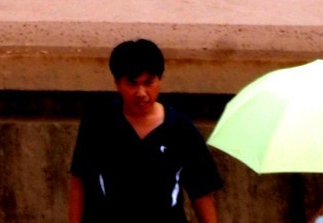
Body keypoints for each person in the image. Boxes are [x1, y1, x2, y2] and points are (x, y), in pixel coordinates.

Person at [67, 39, 221, 223]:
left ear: (160, 80)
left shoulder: (181, 129)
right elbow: (79, 182)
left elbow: (201, 192)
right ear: (117, 83)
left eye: (149, 82)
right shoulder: (97, 124)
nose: (141, 92)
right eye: (132, 83)